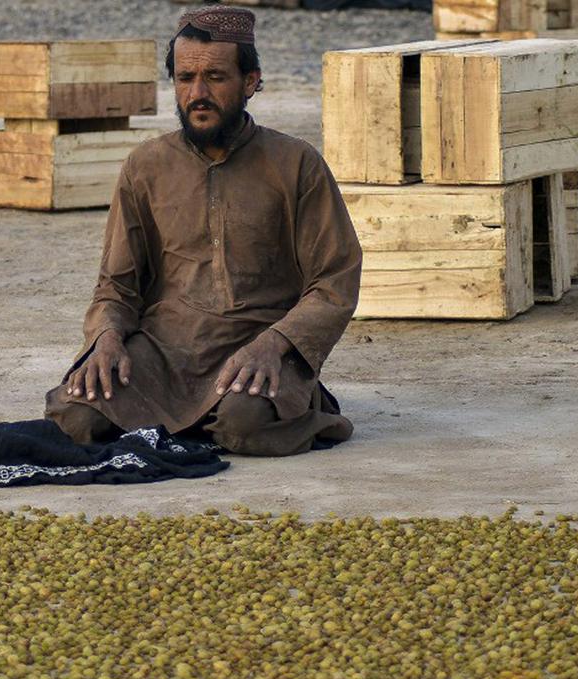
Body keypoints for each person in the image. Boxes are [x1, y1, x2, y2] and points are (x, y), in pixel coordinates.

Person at [44, 6, 362, 457]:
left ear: (250, 81)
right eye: (185, 78)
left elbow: (334, 282)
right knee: (78, 416)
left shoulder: (296, 164)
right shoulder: (145, 167)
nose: (197, 93)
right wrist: (105, 340)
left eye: (214, 77)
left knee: (243, 426)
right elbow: (116, 285)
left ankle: (307, 404)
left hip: (257, 344)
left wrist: (275, 344)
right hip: (165, 350)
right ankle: (191, 416)